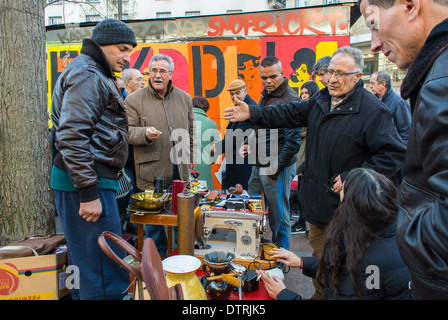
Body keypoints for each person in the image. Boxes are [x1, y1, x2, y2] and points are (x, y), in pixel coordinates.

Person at [224, 46, 406, 299]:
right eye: (330, 71)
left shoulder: (374, 111)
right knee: (325, 268)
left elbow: (395, 153)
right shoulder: (322, 100)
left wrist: (355, 176)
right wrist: (253, 112)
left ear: (357, 77)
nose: (332, 78)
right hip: (319, 209)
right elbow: (289, 112)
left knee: (336, 278)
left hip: (349, 214)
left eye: (341, 73)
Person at [359, 0, 448, 299]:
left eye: (373, 24)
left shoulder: (441, 82)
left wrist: (410, 236)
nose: (374, 45)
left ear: (410, 6)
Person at [50, 18, 137, 300]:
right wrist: (88, 192)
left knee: (86, 265)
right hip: (87, 182)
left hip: (86, 178)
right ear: (102, 44)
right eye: (122, 49)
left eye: (130, 50)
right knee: (104, 266)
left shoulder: (90, 71)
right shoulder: (89, 74)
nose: (127, 57)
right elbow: (73, 135)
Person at [257, 168, 411, 300]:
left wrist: (283, 294)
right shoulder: (388, 231)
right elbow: (342, 265)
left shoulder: (368, 262)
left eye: (342, 194)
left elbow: (350, 274)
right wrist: (301, 262)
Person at [125, 54, 196, 257]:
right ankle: (156, 271)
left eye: (162, 71)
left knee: (181, 223)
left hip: (179, 172)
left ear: (170, 74)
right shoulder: (134, 100)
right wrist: (144, 134)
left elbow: (192, 130)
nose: (157, 75)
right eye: (153, 71)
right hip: (151, 173)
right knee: (154, 228)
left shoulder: (184, 98)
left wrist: (192, 156)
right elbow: (126, 131)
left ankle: (181, 263)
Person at [240, 57, 301, 251]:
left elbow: (292, 143)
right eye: (263, 77)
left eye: (273, 76)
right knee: (252, 204)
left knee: (279, 216)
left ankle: (281, 259)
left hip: (277, 165)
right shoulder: (268, 94)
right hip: (262, 161)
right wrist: (250, 143)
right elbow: (264, 127)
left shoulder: (291, 99)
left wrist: (275, 170)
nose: (268, 81)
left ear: (282, 74)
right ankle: (257, 247)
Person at [213, 79, 256, 190]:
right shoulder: (240, 107)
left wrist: (217, 148)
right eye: (232, 94)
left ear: (245, 92)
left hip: (242, 164)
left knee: (240, 198)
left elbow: (238, 135)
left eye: (237, 93)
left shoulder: (249, 108)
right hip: (236, 162)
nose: (234, 96)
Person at [291, 80, 320, 235]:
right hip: (302, 157)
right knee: (302, 192)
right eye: (301, 93)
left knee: (305, 193)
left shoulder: (313, 111)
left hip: (307, 158)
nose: (303, 96)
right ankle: (302, 223)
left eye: (306, 93)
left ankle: (303, 223)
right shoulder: (307, 110)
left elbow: (302, 131)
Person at [369, 71, 411, 145]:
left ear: (383, 84)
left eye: (373, 83)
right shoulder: (375, 100)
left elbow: (406, 133)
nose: (370, 86)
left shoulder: (398, 102)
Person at [191, 96, 220, 189]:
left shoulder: (183, 120)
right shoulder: (211, 124)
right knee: (203, 199)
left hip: (183, 167)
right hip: (203, 169)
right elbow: (216, 149)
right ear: (206, 108)